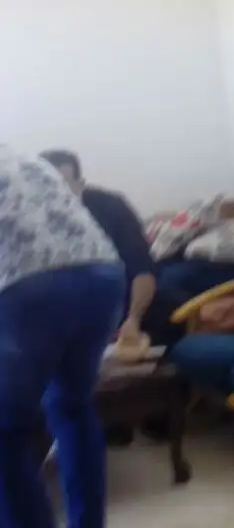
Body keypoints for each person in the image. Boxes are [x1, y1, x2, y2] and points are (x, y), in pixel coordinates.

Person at [0, 145, 126, 528]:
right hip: (101, 274)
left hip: (27, 286)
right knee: (72, 407)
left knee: (5, 433)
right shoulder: (21, 157)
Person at [40, 150, 156, 348]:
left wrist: (133, 319)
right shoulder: (29, 216)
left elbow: (142, 270)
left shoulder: (110, 208)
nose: (56, 194)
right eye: (47, 186)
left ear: (80, 184)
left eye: (64, 185)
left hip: (120, 305)